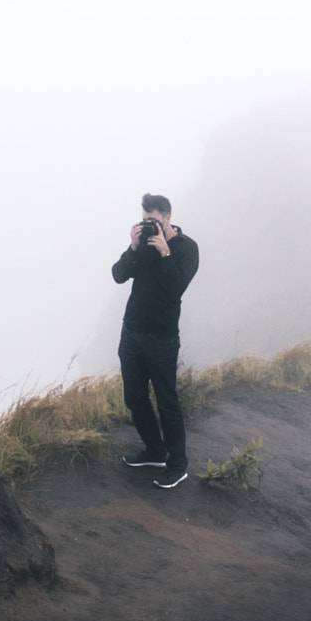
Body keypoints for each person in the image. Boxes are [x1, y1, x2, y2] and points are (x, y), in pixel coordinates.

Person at [112, 193, 200, 488]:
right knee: (134, 398)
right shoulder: (144, 246)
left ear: (168, 218)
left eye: (154, 219)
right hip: (132, 333)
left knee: (167, 403)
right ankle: (155, 451)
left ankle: (178, 465)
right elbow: (118, 275)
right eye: (145, 218)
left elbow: (175, 289)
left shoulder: (187, 249)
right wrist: (134, 246)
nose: (150, 224)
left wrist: (165, 253)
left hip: (162, 339)